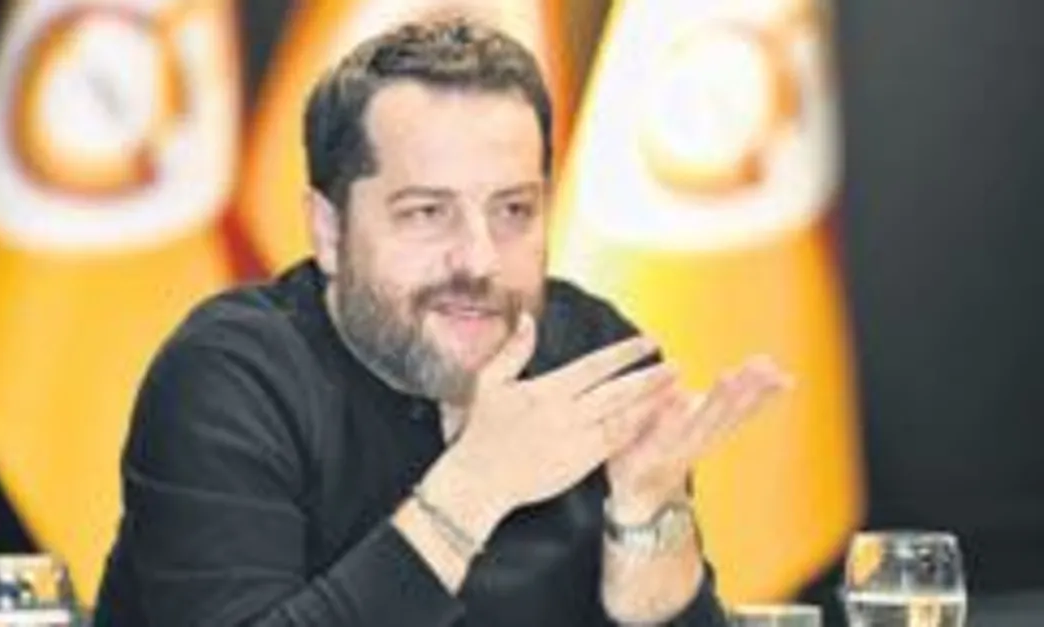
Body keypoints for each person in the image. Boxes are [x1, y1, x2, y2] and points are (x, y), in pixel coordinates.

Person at [94, 17, 791, 627]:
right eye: (427, 212)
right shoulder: (230, 376)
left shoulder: (594, 358)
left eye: (513, 210)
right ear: (329, 230)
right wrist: (478, 484)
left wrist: (647, 521)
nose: (480, 260)